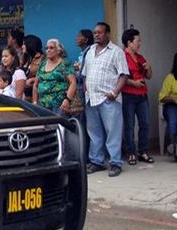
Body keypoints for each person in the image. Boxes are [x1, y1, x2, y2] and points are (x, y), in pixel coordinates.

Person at [82, 22, 129, 177]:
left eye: (100, 32)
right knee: (94, 133)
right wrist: (86, 89)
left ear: (107, 34)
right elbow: (85, 74)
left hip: (108, 98)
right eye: (95, 32)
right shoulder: (89, 52)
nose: (96, 35)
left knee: (113, 132)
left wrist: (114, 92)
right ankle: (97, 161)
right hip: (91, 98)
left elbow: (124, 75)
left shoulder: (116, 52)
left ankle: (115, 163)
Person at [121, 29, 154, 165]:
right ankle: (130, 153)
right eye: (137, 41)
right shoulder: (122, 56)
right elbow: (119, 76)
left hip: (142, 95)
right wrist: (133, 82)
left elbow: (149, 76)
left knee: (145, 124)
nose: (140, 43)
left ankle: (143, 151)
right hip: (128, 95)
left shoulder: (140, 57)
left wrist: (148, 68)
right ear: (129, 42)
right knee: (129, 125)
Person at [32, 39, 76, 117]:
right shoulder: (43, 64)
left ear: (58, 51)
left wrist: (67, 100)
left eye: (51, 48)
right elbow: (36, 85)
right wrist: (35, 102)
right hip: (43, 105)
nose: (48, 50)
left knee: (59, 127)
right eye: (46, 48)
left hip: (59, 105)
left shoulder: (64, 63)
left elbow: (73, 82)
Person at [159, 52, 177, 155]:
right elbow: (162, 97)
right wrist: (173, 99)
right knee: (173, 115)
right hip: (171, 105)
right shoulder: (171, 78)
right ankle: (174, 144)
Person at [22, 35, 45, 102]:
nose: (22, 46)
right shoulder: (26, 58)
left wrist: (32, 80)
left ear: (30, 45)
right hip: (25, 95)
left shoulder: (43, 59)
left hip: (36, 96)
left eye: (24, 44)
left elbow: (46, 76)